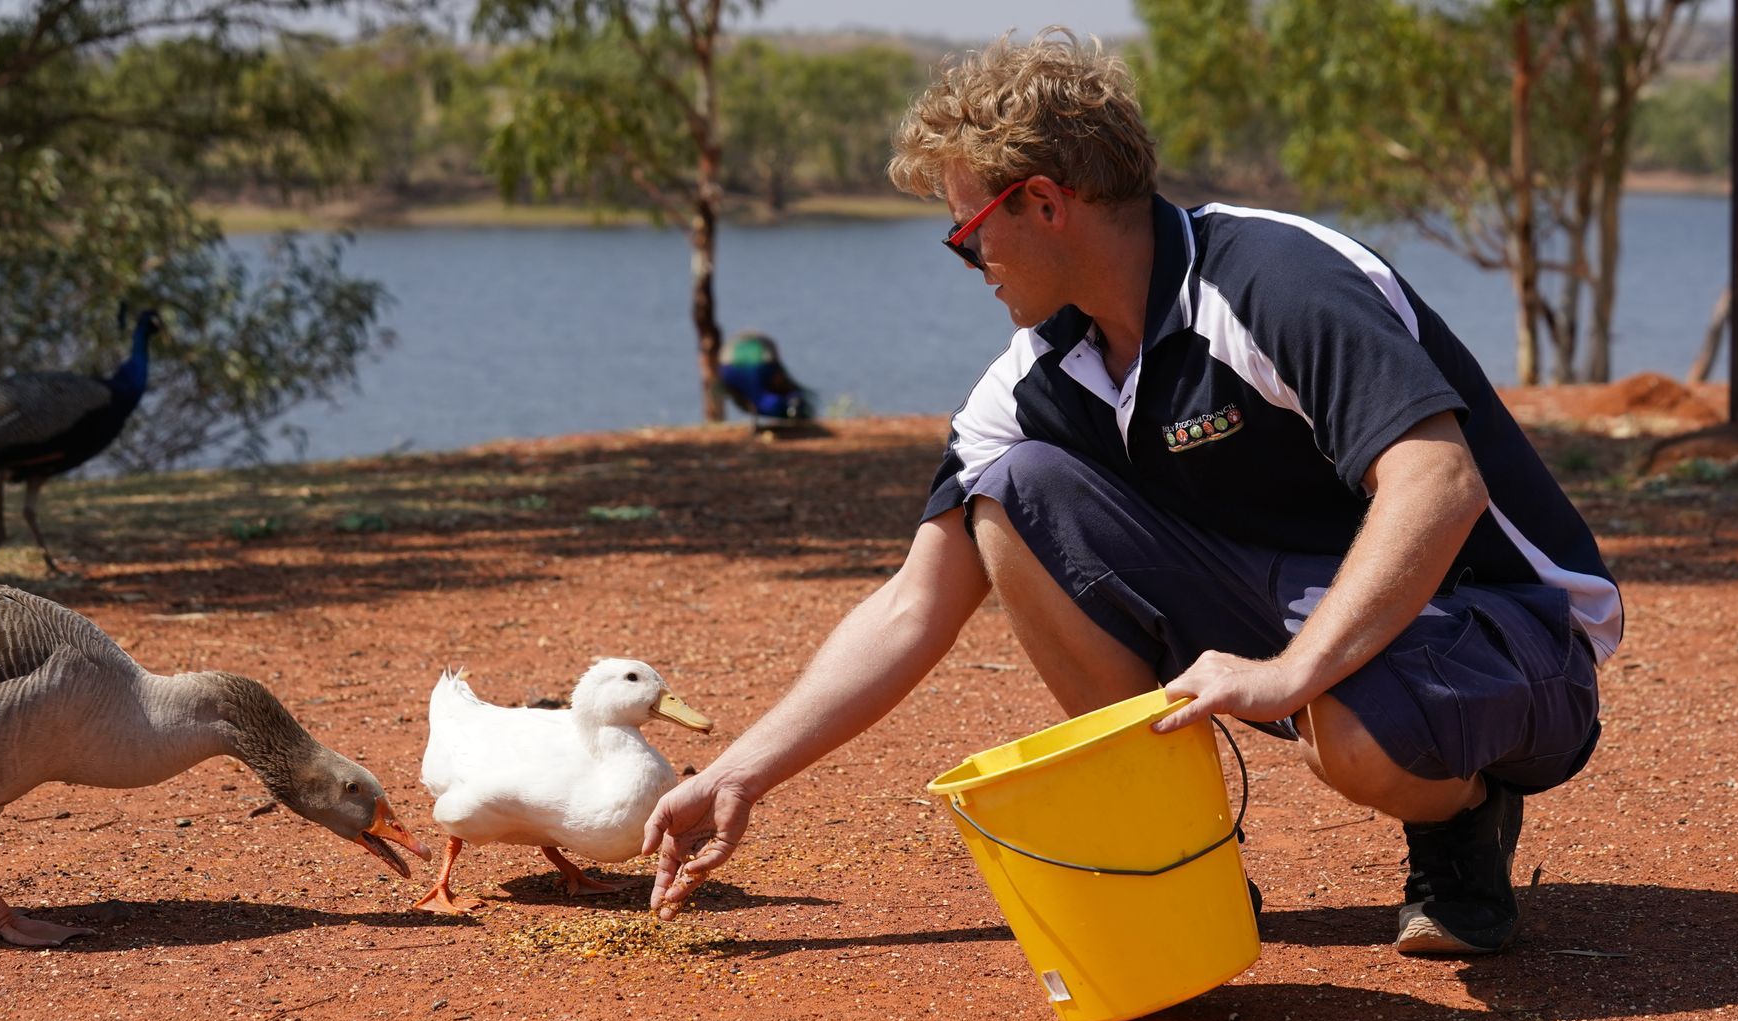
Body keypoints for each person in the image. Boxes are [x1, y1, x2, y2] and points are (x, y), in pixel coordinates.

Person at [643, 29, 1619, 956]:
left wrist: (1291, 674)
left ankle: (1463, 823)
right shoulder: (1038, 377)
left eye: (967, 234)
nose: (970, 265)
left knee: (1355, 727)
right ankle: (1179, 853)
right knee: (1009, 493)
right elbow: (913, 603)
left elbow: (1439, 484)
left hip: (1509, 631)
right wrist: (738, 774)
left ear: (1042, 203)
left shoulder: (1272, 281)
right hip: (1315, 624)